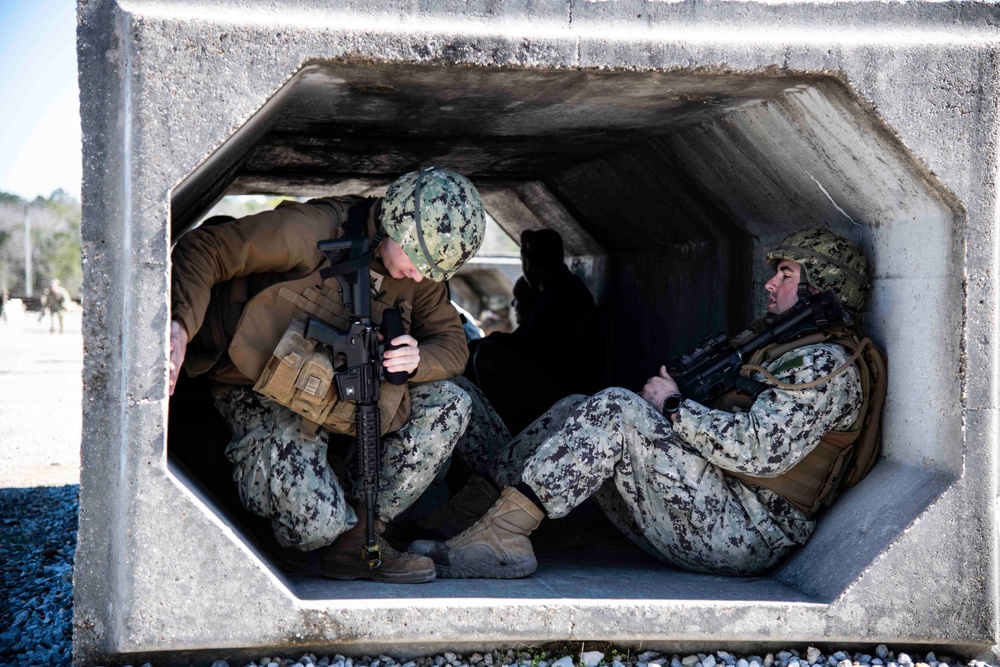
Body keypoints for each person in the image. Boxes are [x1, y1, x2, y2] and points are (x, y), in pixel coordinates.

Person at [418, 229, 881, 578]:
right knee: (579, 406)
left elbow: (759, 450)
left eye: (786, 275)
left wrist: (676, 407)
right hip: (713, 502)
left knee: (618, 409)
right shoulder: (781, 346)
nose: (769, 284)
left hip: (743, 529)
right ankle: (471, 515)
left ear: (822, 287)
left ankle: (502, 540)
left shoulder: (826, 365)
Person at [169, 167, 486, 584]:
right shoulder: (312, 230)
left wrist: (418, 359)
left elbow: (452, 343)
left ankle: (358, 541)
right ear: (396, 222)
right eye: (418, 262)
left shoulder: (419, 275)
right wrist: (179, 325)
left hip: (346, 394)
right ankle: (211, 456)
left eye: (434, 271)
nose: (421, 277)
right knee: (312, 527)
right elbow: (205, 247)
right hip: (262, 387)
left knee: (452, 400)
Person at [466, 228, 599, 434]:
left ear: (527, 263)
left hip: (567, 394)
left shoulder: (561, 294)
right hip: (565, 387)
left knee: (486, 356)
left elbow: (529, 347)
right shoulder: (559, 289)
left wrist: (486, 343)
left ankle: (508, 433)